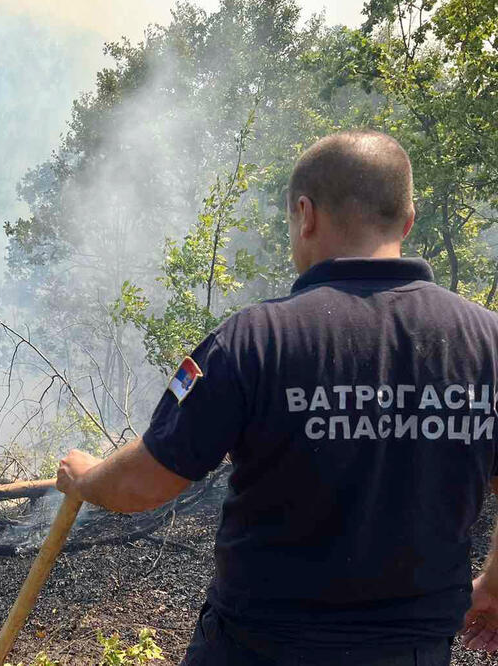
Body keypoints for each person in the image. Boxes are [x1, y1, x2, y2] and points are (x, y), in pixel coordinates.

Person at [55, 130, 498, 665]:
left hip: (259, 650)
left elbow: (142, 484)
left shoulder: (255, 339)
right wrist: (493, 584)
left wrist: (85, 477)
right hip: (412, 653)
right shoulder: (487, 342)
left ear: (305, 214)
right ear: (407, 220)